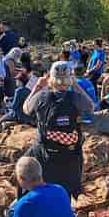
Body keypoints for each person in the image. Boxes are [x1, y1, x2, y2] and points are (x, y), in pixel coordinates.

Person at [22, 61, 96, 198]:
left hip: (45, 152)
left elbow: (26, 109)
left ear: (51, 77)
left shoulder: (41, 97)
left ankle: (22, 201)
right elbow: (91, 106)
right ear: (70, 78)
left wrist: (38, 86)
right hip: (70, 154)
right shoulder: (76, 98)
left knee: (24, 166)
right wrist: (76, 85)